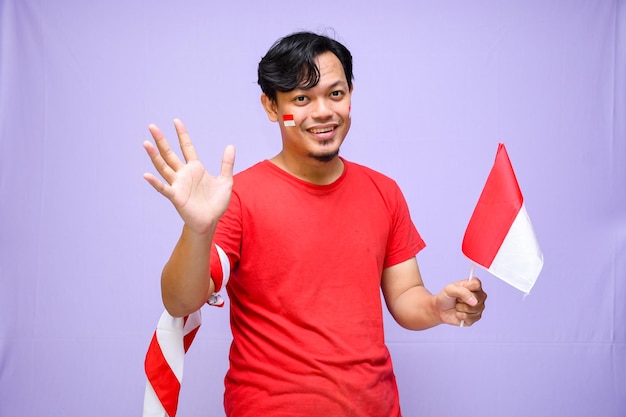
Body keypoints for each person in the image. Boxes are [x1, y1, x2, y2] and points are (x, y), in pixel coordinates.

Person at [143, 31, 487, 417]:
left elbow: (406, 296)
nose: (323, 111)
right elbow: (180, 301)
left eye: (335, 94)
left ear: (351, 95)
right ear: (272, 107)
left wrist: (438, 308)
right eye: (301, 99)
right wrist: (197, 228)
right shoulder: (237, 197)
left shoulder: (384, 192)